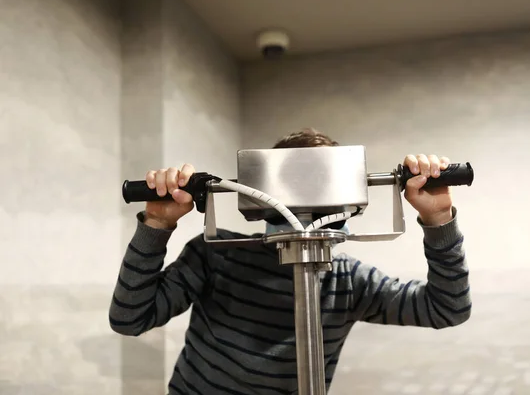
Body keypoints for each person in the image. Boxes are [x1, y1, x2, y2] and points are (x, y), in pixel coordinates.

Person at [109, 128, 471, 395]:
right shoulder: (217, 256)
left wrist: (439, 218)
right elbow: (129, 319)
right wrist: (157, 224)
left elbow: (447, 309)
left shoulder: (348, 281)